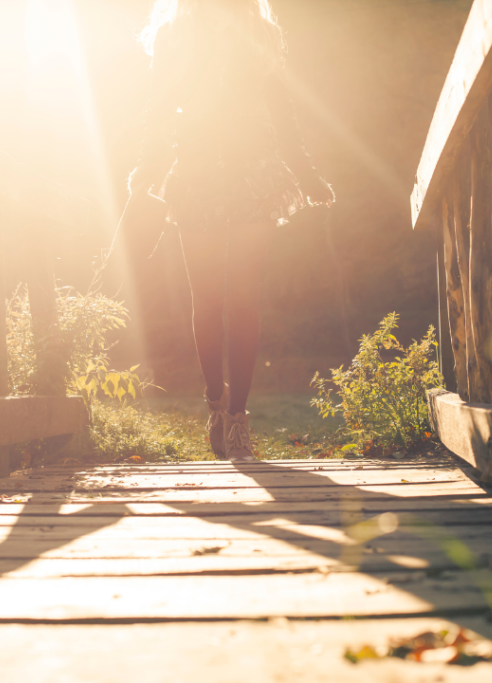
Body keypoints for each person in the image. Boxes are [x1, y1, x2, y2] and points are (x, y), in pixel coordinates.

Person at [128, 0, 334, 461]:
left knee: (243, 293)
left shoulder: (258, 30)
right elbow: (158, 109)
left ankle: (239, 419)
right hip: (197, 172)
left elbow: (282, 107)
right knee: (207, 297)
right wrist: (146, 169)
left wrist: (304, 171)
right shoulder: (173, 35)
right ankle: (216, 404)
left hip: (253, 173)